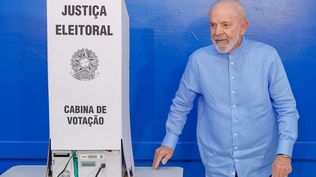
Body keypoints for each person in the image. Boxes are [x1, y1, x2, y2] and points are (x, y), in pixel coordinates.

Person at [152, 0, 299, 177]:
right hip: (217, 166)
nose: (218, 32)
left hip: (262, 166)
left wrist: (284, 154)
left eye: (226, 25)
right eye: (213, 25)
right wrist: (169, 141)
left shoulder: (267, 57)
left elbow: (286, 109)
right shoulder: (198, 60)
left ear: (243, 27)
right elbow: (181, 105)